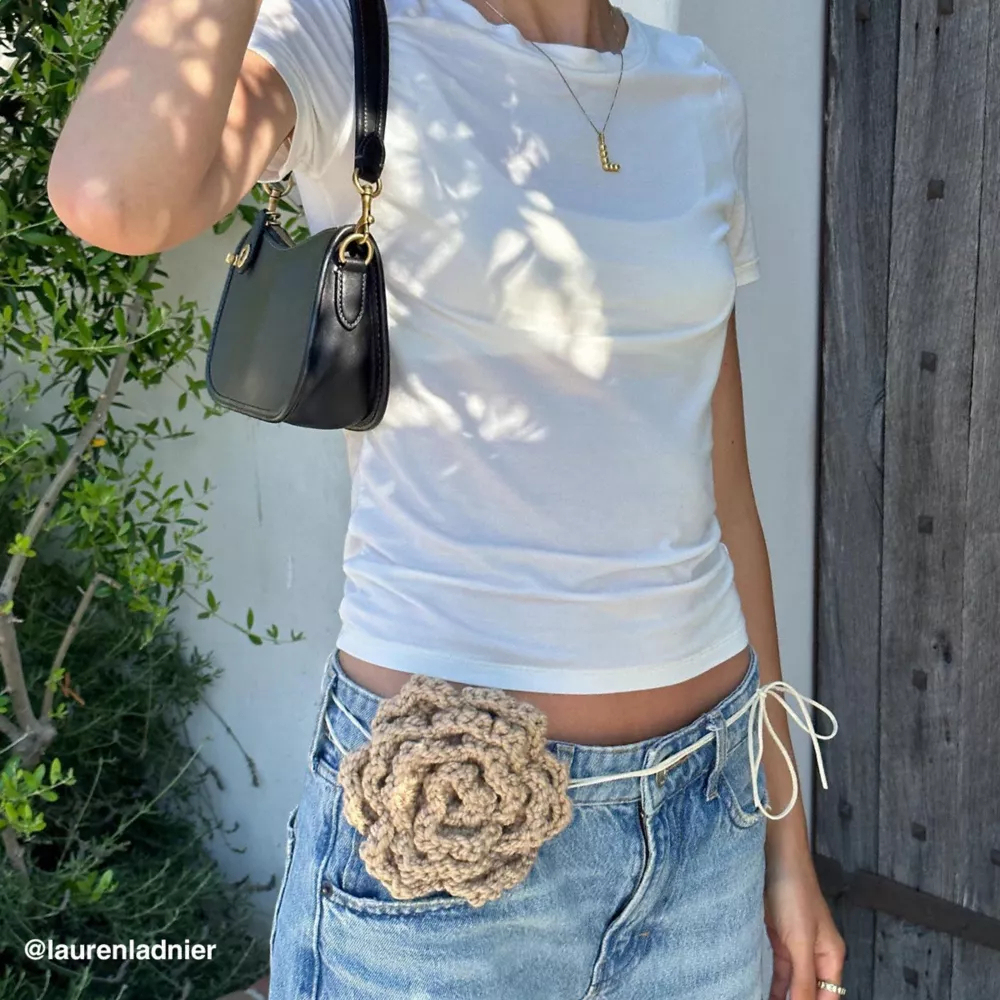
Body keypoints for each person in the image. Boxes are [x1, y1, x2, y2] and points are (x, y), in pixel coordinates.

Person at [48, 0, 847, 997]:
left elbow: (723, 487)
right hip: (442, 830)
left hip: (705, 820)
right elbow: (113, 198)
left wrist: (785, 841)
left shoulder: (696, 93)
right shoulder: (348, 40)